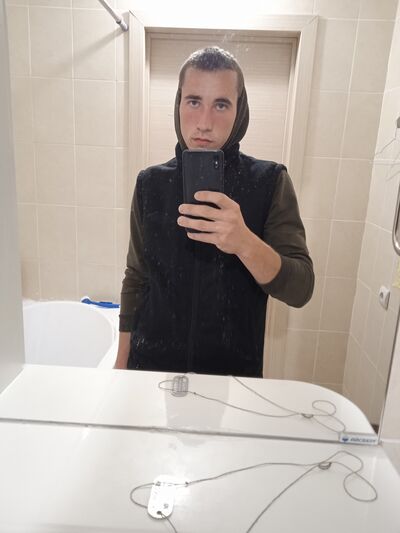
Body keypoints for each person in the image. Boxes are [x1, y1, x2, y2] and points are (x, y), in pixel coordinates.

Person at [115, 46, 314, 377]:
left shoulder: (270, 182)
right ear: (178, 104)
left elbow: (301, 288)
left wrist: (244, 242)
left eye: (221, 105)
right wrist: (121, 363)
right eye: (194, 101)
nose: (204, 123)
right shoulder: (150, 183)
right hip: (150, 370)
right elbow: (136, 276)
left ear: (240, 110)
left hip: (231, 377)